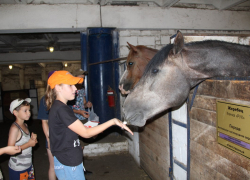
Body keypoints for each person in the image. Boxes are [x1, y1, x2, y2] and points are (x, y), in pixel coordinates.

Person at [45, 70, 133, 180]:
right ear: (58, 88)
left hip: (66, 160)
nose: (75, 89)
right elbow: (85, 133)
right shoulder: (62, 109)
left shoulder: (59, 107)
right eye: (70, 85)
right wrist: (113, 121)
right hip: (68, 162)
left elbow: (71, 131)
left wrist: (94, 129)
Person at [8, 98, 38, 180]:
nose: (29, 113)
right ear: (15, 113)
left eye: (29, 110)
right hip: (18, 168)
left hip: (28, 164)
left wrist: (32, 140)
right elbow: (10, 150)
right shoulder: (15, 129)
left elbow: (24, 143)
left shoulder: (25, 125)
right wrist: (29, 144)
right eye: (25, 111)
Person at [37, 70, 57, 180]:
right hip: (52, 136)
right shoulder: (45, 100)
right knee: (53, 166)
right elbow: (44, 121)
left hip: (64, 136)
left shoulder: (65, 97)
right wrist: (49, 139)